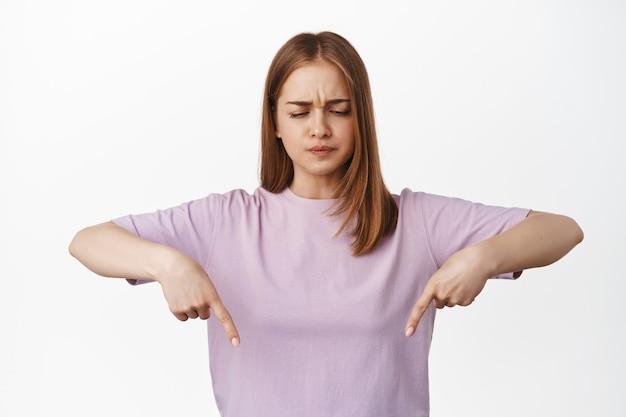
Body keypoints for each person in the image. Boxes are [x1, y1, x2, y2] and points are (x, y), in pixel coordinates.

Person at [69, 31, 583, 417]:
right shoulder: (226, 222)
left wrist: (483, 256)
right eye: (299, 112)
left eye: (338, 109)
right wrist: (166, 264)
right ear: (274, 122)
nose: (319, 128)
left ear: (362, 118)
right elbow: (87, 242)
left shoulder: (416, 221)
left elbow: (563, 229)